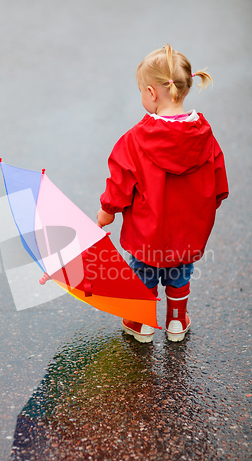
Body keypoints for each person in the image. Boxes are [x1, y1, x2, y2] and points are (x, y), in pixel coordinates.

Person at [97, 44, 228, 343]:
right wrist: (201, 210)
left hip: (147, 234)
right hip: (187, 233)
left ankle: (142, 324)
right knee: (180, 274)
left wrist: (107, 211)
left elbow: (119, 183)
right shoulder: (205, 137)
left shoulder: (135, 140)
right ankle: (177, 322)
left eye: (142, 90)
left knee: (144, 275)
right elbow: (220, 185)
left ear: (152, 93)